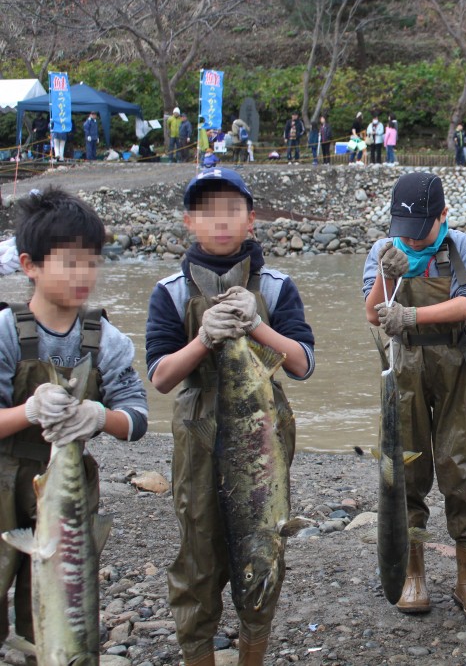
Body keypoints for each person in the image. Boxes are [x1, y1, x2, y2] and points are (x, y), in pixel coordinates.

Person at [145, 167, 315, 666]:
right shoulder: (171, 291)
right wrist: (204, 338)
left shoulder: (278, 286)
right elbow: (160, 376)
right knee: (198, 553)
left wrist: (256, 326)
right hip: (199, 434)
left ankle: (251, 653)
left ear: (251, 221)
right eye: (208, 212)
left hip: (264, 430)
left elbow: (302, 363)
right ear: (189, 222)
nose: (221, 222)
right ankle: (198, 651)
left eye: (232, 211)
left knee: (264, 540)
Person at [0, 188, 149, 651]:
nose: (84, 273)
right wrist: (27, 411)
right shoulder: (6, 331)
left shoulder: (107, 340)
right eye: (70, 262)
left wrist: (99, 415)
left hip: (70, 488)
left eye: (92, 261)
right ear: (30, 265)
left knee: (58, 603)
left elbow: (137, 418)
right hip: (4, 479)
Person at [362, 172, 466, 620]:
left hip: (455, 365)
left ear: (443, 215)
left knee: (461, 466)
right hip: (403, 371)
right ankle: (413, 573)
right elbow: (371, 312)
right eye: (406, 233)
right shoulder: (384, 250)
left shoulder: (461, 248)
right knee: (407, 468)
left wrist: (412, 314)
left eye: (422, 232)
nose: (413, 242)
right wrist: (386, 274)